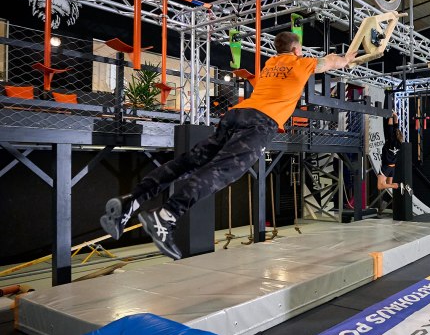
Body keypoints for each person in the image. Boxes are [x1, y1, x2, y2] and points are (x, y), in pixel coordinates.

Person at [100, 32, 357, 259]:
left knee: (190, 161)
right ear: (296, 49)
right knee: (222, 171)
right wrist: (346, 59)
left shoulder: (271, 63)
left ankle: (132, 201)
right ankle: (166, 216)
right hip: (261, 122)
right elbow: (330, 61)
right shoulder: (301, 63)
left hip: (237, 115)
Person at [378, 111, 402, 190]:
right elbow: (394, 127)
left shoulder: (391, 141)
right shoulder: (399, 143)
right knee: (387, 185)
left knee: (380, 186)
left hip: (387, 166)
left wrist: (391, 116)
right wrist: (394, 116)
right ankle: (394, 185)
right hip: (392, 167)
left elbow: (391, 127)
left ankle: (395, 186)